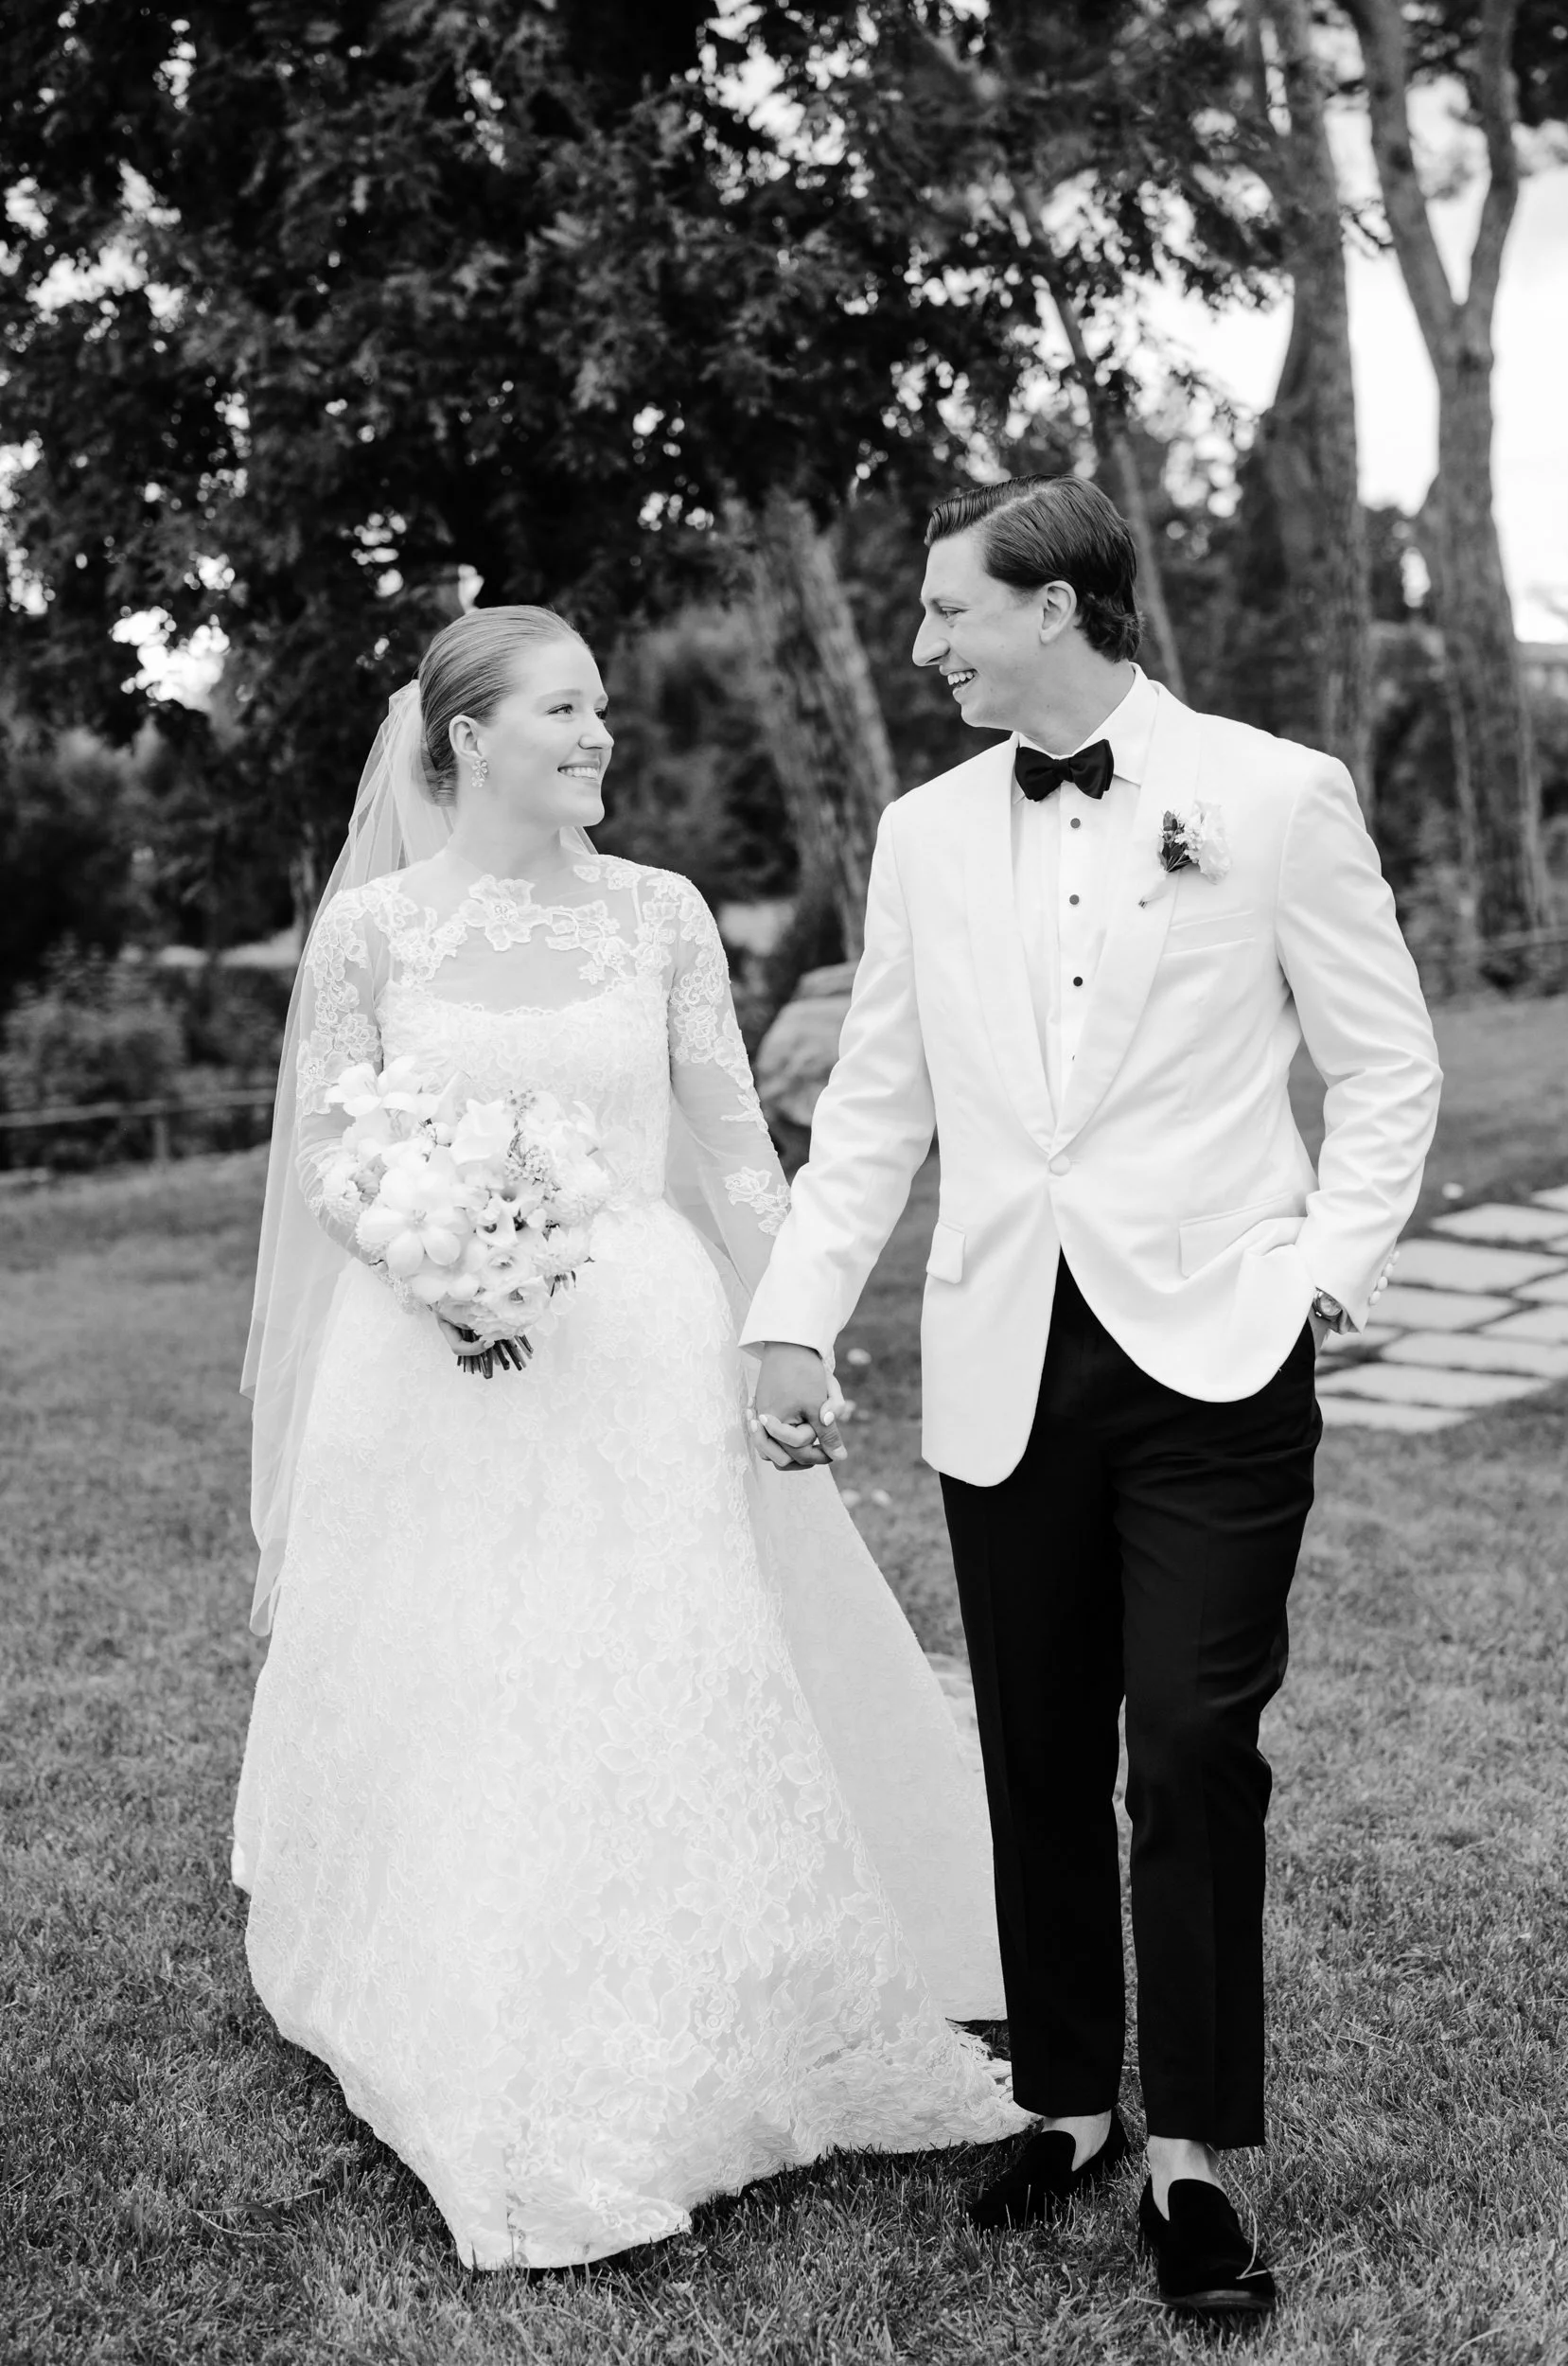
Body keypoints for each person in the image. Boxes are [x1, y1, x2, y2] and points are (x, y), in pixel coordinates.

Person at [232, 604, 1029, 2271]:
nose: (603, 736)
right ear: (466, 740)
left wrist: (783, 1315)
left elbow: (733, 1143)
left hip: (645, 1348)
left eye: (602, 711)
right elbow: (331, 1153)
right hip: (432, 1365)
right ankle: (486, 2009)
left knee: (665, 1662)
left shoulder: (658, 913)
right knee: (472, 1679)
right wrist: (425, 1260)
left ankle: (728, 2003)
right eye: (568, 710)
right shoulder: (375, 931)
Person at [746, 478, 1442, 2319]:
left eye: (947, 607)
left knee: (1195, 1741)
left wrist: (1321, 1272)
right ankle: (1065, 2094)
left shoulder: (1273, 794)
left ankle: (1199, 2150)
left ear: (1058, 605)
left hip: (1218, 1347)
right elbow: (879, 1103)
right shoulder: (918, 832)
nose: (922, 641)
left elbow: (1388, 1066)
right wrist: (792, 1313)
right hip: (1005, 1353)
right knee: (1036, 1741)